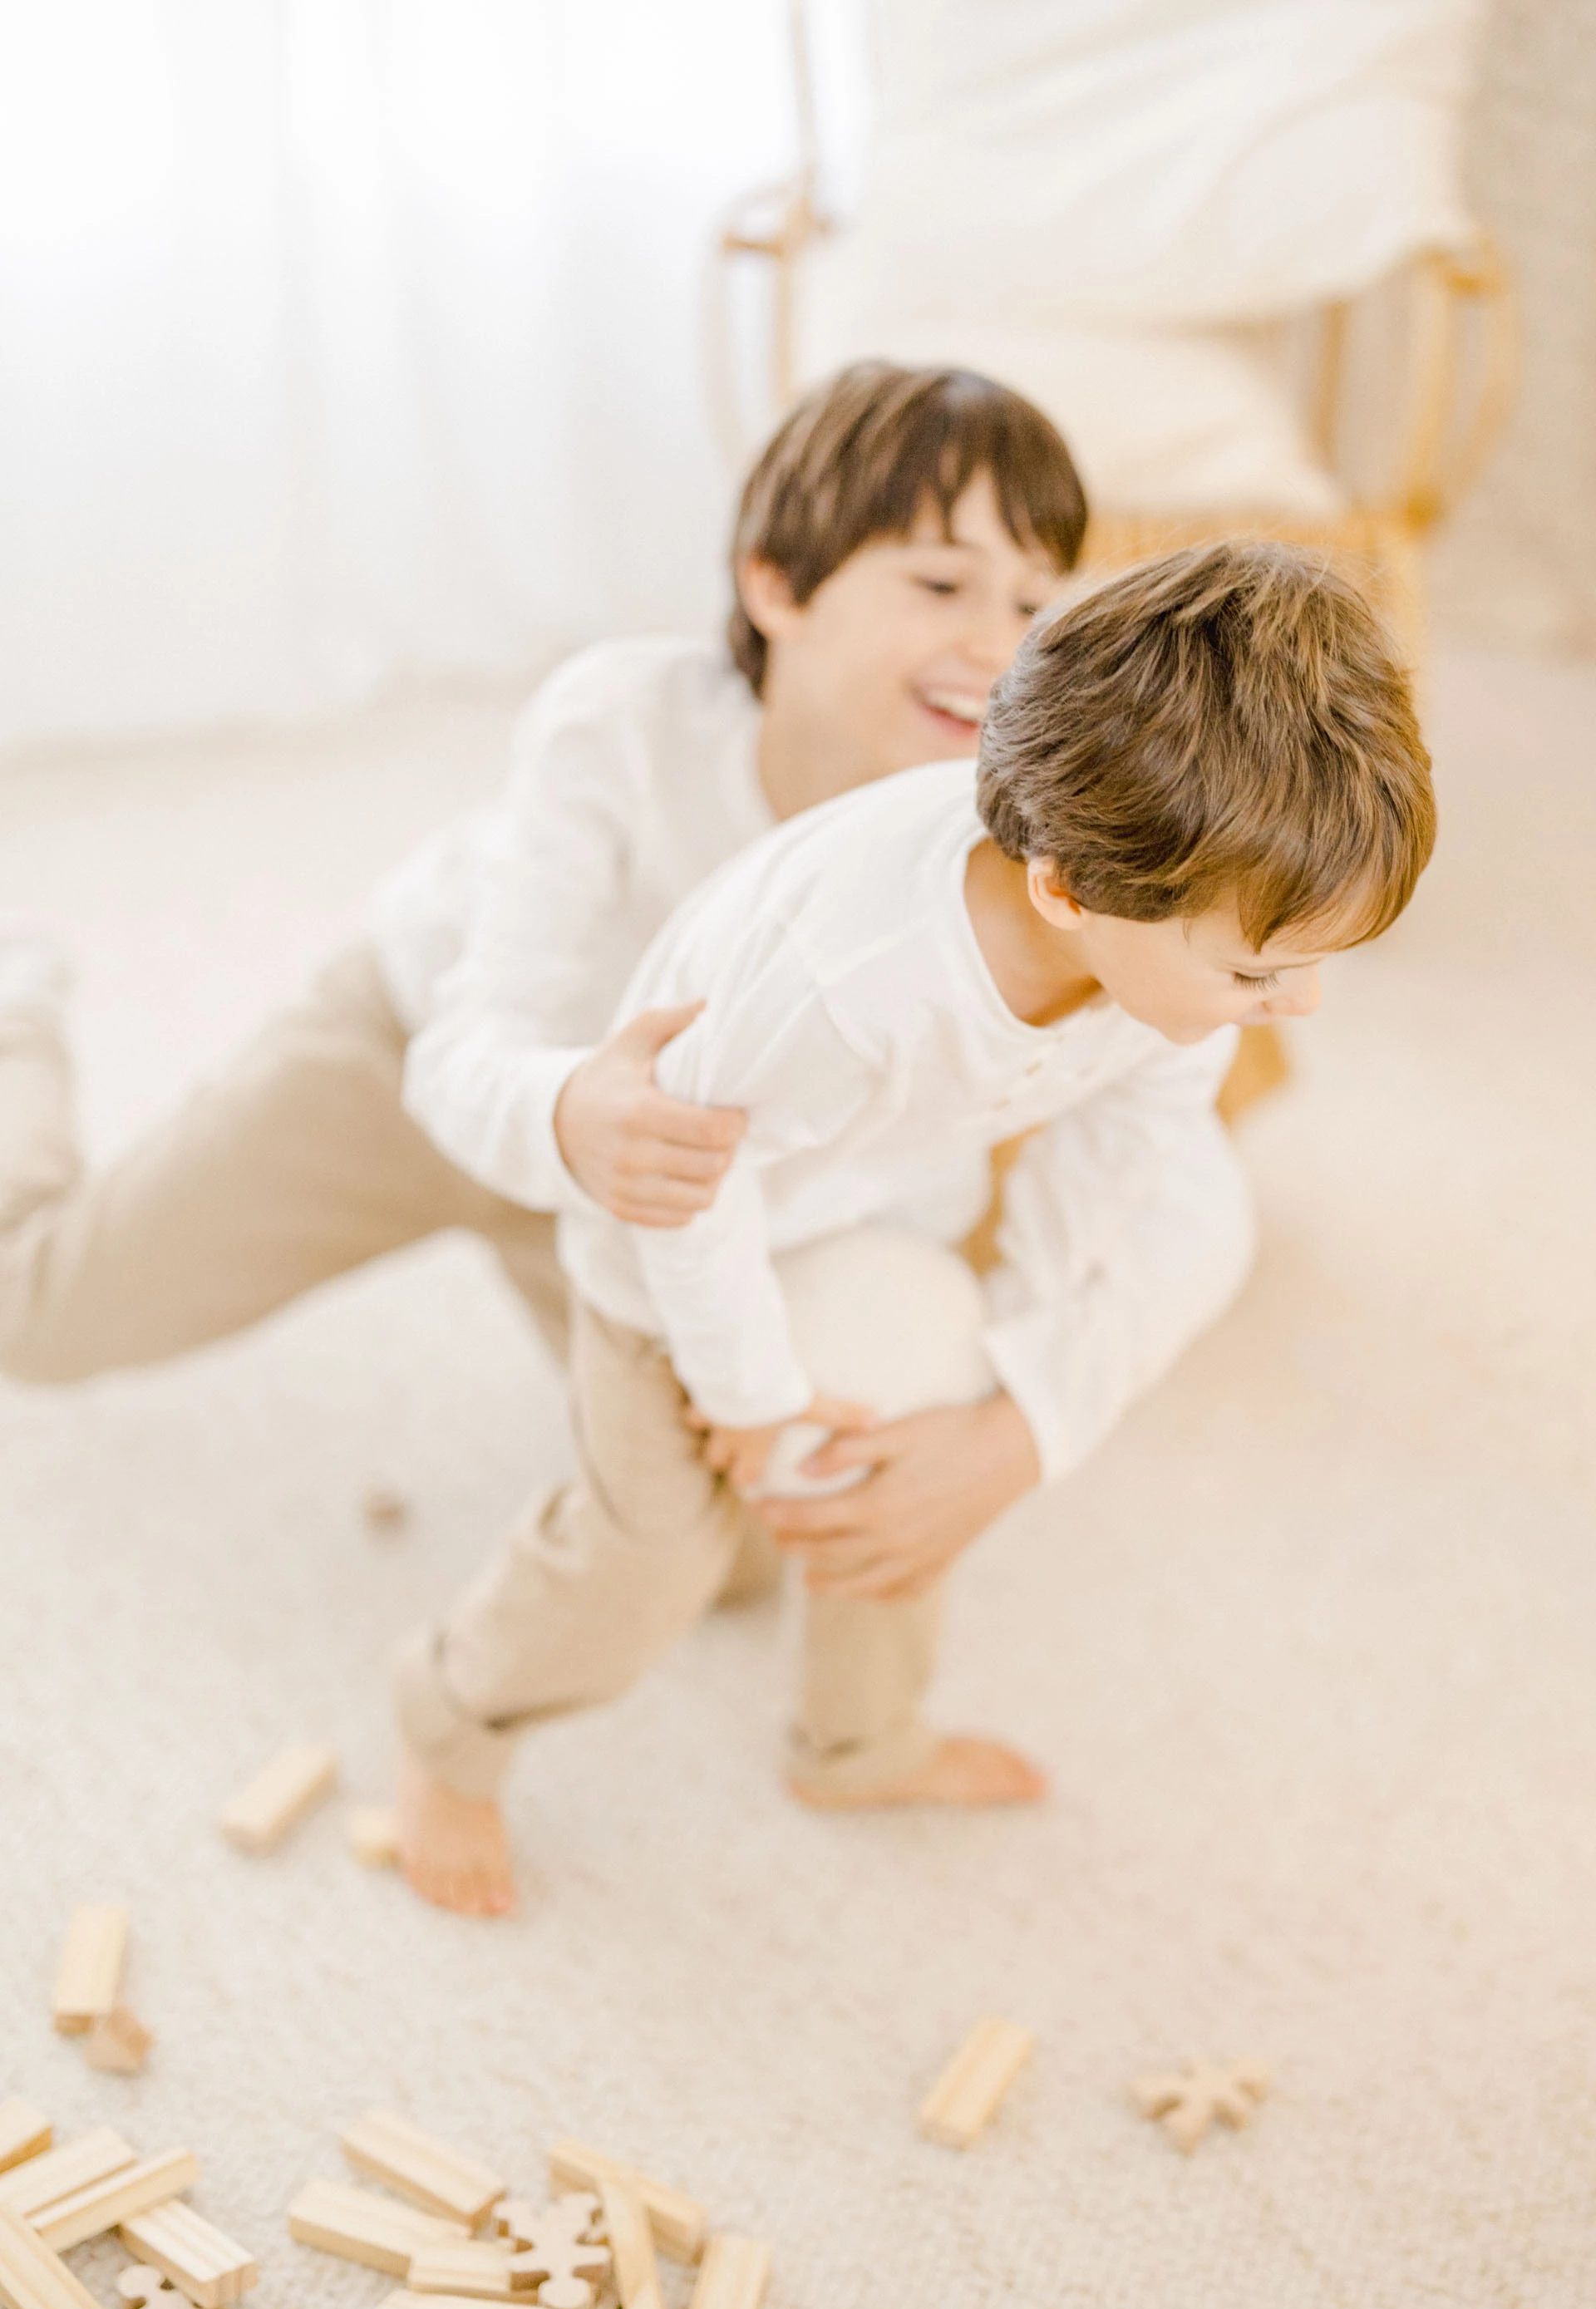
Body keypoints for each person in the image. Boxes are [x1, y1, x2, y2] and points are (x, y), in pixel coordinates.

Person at [0, 362, 1086, 1873]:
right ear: (776, 584)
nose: (996, 641)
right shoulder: (625, 723)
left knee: (746, 1564)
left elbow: (908, 1164)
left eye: (1038, 603)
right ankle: (19, 1016)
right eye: (943, 579)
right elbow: (473, 1043)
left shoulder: (971, 841)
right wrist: (572, 1110)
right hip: (418, 1070)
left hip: (644, 1188)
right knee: (32, 1316)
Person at [393, 539, 1436, 1916]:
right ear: (1069, 891)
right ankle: (450, 1727)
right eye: (1258, 971)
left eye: (1310, 969)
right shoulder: (856, 982)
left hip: (865, 1208)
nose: (1293, 1008)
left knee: (905, 1456)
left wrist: (1020, 1350)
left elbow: (1128, 1146)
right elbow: (693, 1196)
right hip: (680, 1237)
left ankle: (859, 1741)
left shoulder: (1174, 959)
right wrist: (750, 1397)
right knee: (650, 1557)